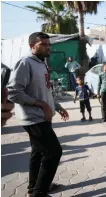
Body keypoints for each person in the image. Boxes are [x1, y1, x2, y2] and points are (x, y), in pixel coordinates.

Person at [7, 32, 69, 197]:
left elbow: (45, 91)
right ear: (32, 46)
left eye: (49, 45)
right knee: (54, 152)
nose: (48, 47)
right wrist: (41, 105)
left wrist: (56, 106)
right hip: (33, 118)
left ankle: (33, 188)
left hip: (43, 116)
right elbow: (13, 93)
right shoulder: (25, 63)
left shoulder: (42, 64)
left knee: (38, 152)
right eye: (43, 44)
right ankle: (39, 193)